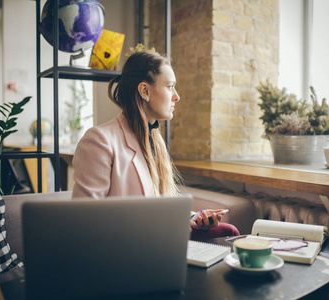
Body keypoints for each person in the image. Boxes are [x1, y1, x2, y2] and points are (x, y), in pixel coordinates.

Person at [71, 51, 239, 240]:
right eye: (170, 87)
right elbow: (84, 221)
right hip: (123, 249)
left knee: (230, 231)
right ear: (144, 91)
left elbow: (157, 207)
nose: (177, 97)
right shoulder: (99, 140)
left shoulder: (154, 141)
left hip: (156, 242)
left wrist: (195, 218)